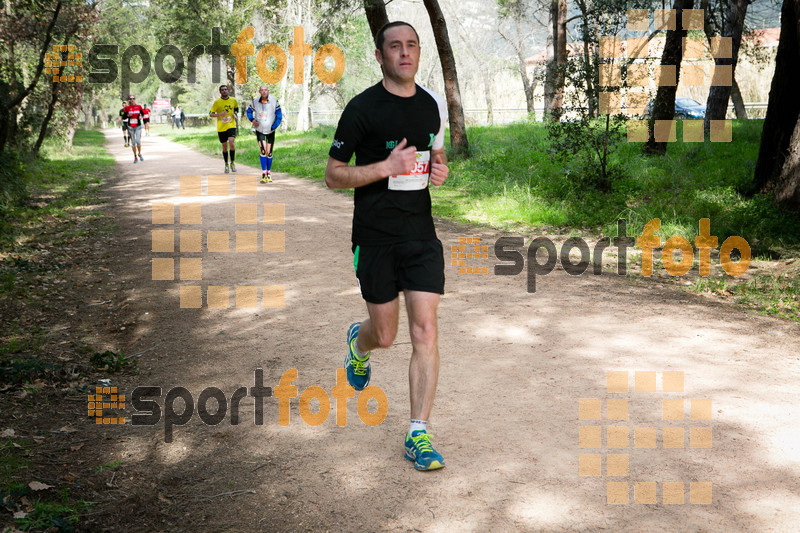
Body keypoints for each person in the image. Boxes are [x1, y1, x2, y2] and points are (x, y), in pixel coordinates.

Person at [324, 21, 449, 471]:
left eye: (412, 45)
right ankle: (360, 343)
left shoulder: (432, 104)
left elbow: (435, 152)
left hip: (420, 235)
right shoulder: (361, 109)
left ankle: (418, 433)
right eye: (394, 46)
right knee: (388, 335)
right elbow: (333, 174)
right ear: (380, 56)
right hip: (375, 237)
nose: (405, 53)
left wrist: (439, 169)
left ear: (419, 53)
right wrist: (385, 167)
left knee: (425, 331)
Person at [246, 84, 282, 183]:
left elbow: (279, 115)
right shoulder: (255, 102)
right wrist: (253, 120)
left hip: (270, 130)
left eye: (266, 90)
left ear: (268, 91)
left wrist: (274, 126)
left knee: (269, 152)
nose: (264, 91)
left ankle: (269, 173)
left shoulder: (274, 101)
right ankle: (263, 173)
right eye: (262, 90)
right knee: (263, 151)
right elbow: (248, 111)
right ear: (259, 92)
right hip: (260, 130)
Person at [209, 85, 239, 173]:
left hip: (231, 125)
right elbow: (210, 114)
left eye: (226, 89)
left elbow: (236, 109)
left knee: (231, 143)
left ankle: (232, 163)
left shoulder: (233, 100)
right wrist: (219, 115)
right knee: (225, 147)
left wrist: (235, 114)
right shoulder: (217, 102)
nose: (224, 91)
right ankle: (226, 164)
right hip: (221, 128)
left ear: (228, 91)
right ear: (220, 92)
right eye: (222, 90)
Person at [122, 94, 145, 163]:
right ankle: (135, 156)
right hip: (130, 126)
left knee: (138, 141)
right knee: (133, 142)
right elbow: (124, 117)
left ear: (134, 99)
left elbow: (142, 113)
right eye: (130, 99)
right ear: (129, 100)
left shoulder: (138, 106)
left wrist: (141, 117)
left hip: (138, 126)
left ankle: (139, 153)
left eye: (133, 99)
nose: (132, 100)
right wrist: (128, 115)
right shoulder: (127, 108)